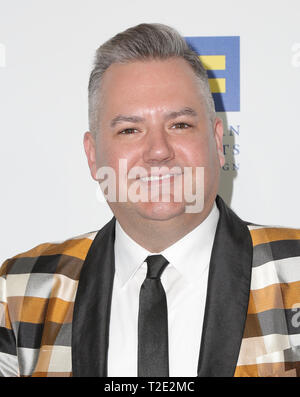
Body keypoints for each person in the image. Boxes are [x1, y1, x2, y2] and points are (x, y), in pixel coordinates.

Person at [1, 23, 300, 378]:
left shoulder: (294, 274)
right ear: (93, 155)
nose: (158, 151)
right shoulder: (21, 291)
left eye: (180, 125)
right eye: (130, 130)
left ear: (218, 142)